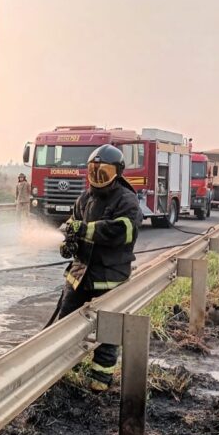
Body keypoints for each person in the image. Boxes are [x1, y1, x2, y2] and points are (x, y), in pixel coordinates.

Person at [51, 144, 142, 391]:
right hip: (80, 274)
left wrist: (85, 230)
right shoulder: (84, 198)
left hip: (109, 278)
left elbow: (122, 231)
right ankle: (65, 369)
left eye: (103, 171)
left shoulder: (127, 201)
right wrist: (67, 243)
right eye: (93, 170)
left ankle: (100, 380)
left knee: (108, 332)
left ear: (117, 172)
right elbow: (72, 224)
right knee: (66, 323)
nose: (97, 176)